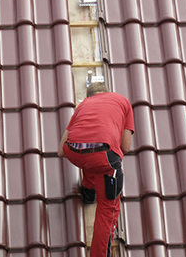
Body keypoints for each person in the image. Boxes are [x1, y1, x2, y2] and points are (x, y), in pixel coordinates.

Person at [57, 82, 135, 257]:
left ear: (89, 96)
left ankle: (89, 190)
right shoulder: (122, 101)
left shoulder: (83, 105)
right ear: (107, 93)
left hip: (74, 152)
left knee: (91, 159)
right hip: (104, 156)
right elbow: (126, 146)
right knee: (108, 210)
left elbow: (61, 151)